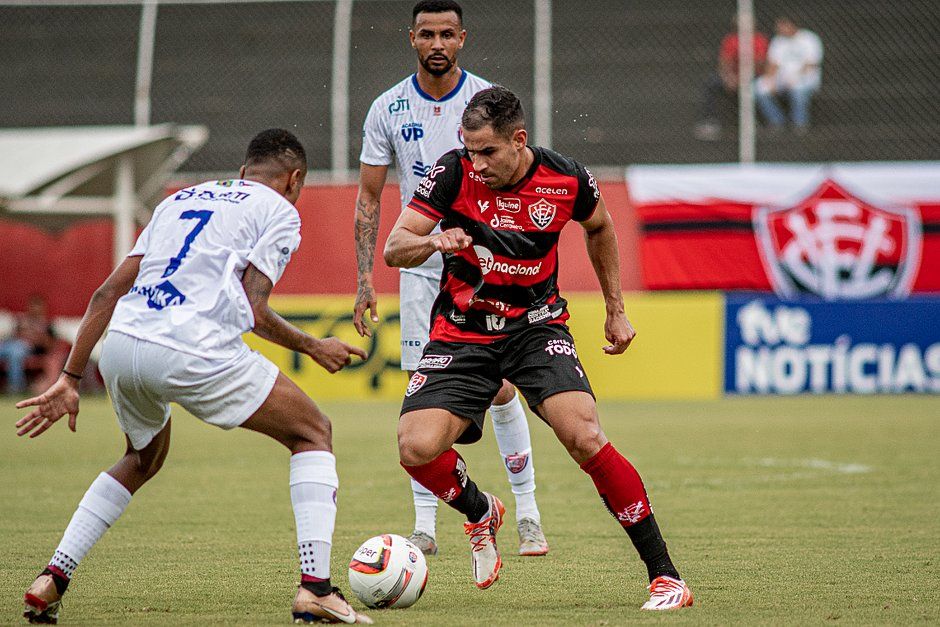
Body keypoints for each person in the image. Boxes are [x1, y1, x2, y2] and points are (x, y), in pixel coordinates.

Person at [16, 129, 372, 625]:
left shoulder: (178, 200)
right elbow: (252, 308)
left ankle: (52, 577)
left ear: (245, 170)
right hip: (193, 346)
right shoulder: (279, 211)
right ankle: (315, 588)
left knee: (141, 458)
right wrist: (314, 345)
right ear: (295, 180)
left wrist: (71, 378)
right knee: (313, 433)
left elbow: (105, 294)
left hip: (123, 346)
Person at [383, 85, 693, 608]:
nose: (475, 162)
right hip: (463, 331)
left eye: (487, 151)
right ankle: (481, 511)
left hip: (536, 327)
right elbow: (395, 248)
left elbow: (600, 226)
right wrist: (436, 240)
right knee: (415, 449)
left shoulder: (565, 177)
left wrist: (616, 308)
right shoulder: (452, 172)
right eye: (469, 148)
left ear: (519, 140)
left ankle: (666, 576)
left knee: (585, 436)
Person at [354, 0, 548, 557]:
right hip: (419, 266)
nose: (436, 43)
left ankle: (528, 512)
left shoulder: (486, 101)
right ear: (411, 39)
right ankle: (425, 526)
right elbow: (369, 199)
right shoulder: (387, 107)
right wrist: (365, 279)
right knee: (422, 396)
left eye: (446, 34)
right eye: (425, 34)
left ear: (462, 38)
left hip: (486, 264)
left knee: (503, 386)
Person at [695, 15, 769, 141]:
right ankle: (711, 121)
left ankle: (755, 122)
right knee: (712, 83)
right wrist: (729, 77)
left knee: (756, 87)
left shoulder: (760, 40)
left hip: (754, 76)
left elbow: (761, 63)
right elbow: (724, 62)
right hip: (733, 76)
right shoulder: (731, 40)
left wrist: (743, 78)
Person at [755, 16, 823, 133]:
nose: (779, 29)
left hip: (805, 78)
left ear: (791, 25)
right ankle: (777, 122)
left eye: (782, 26)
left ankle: (800, 125)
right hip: (782, 79)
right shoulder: (778, 41)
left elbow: (811, 63)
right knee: (758, 88)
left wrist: (795, 78)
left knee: (798, 89)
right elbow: (773, 64)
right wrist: (770, 80)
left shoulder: (809, 38)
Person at [0, 295, 57, 394]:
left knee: (15, 354)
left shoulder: (46, 325)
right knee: (12, 349)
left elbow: (50, 346)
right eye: (32, 306)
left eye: (37, 306)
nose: (34, 309)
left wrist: (37, 337)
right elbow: (13, 335)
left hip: (26, 349)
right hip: (10, 345)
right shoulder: (21, 320)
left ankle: (16, 387)